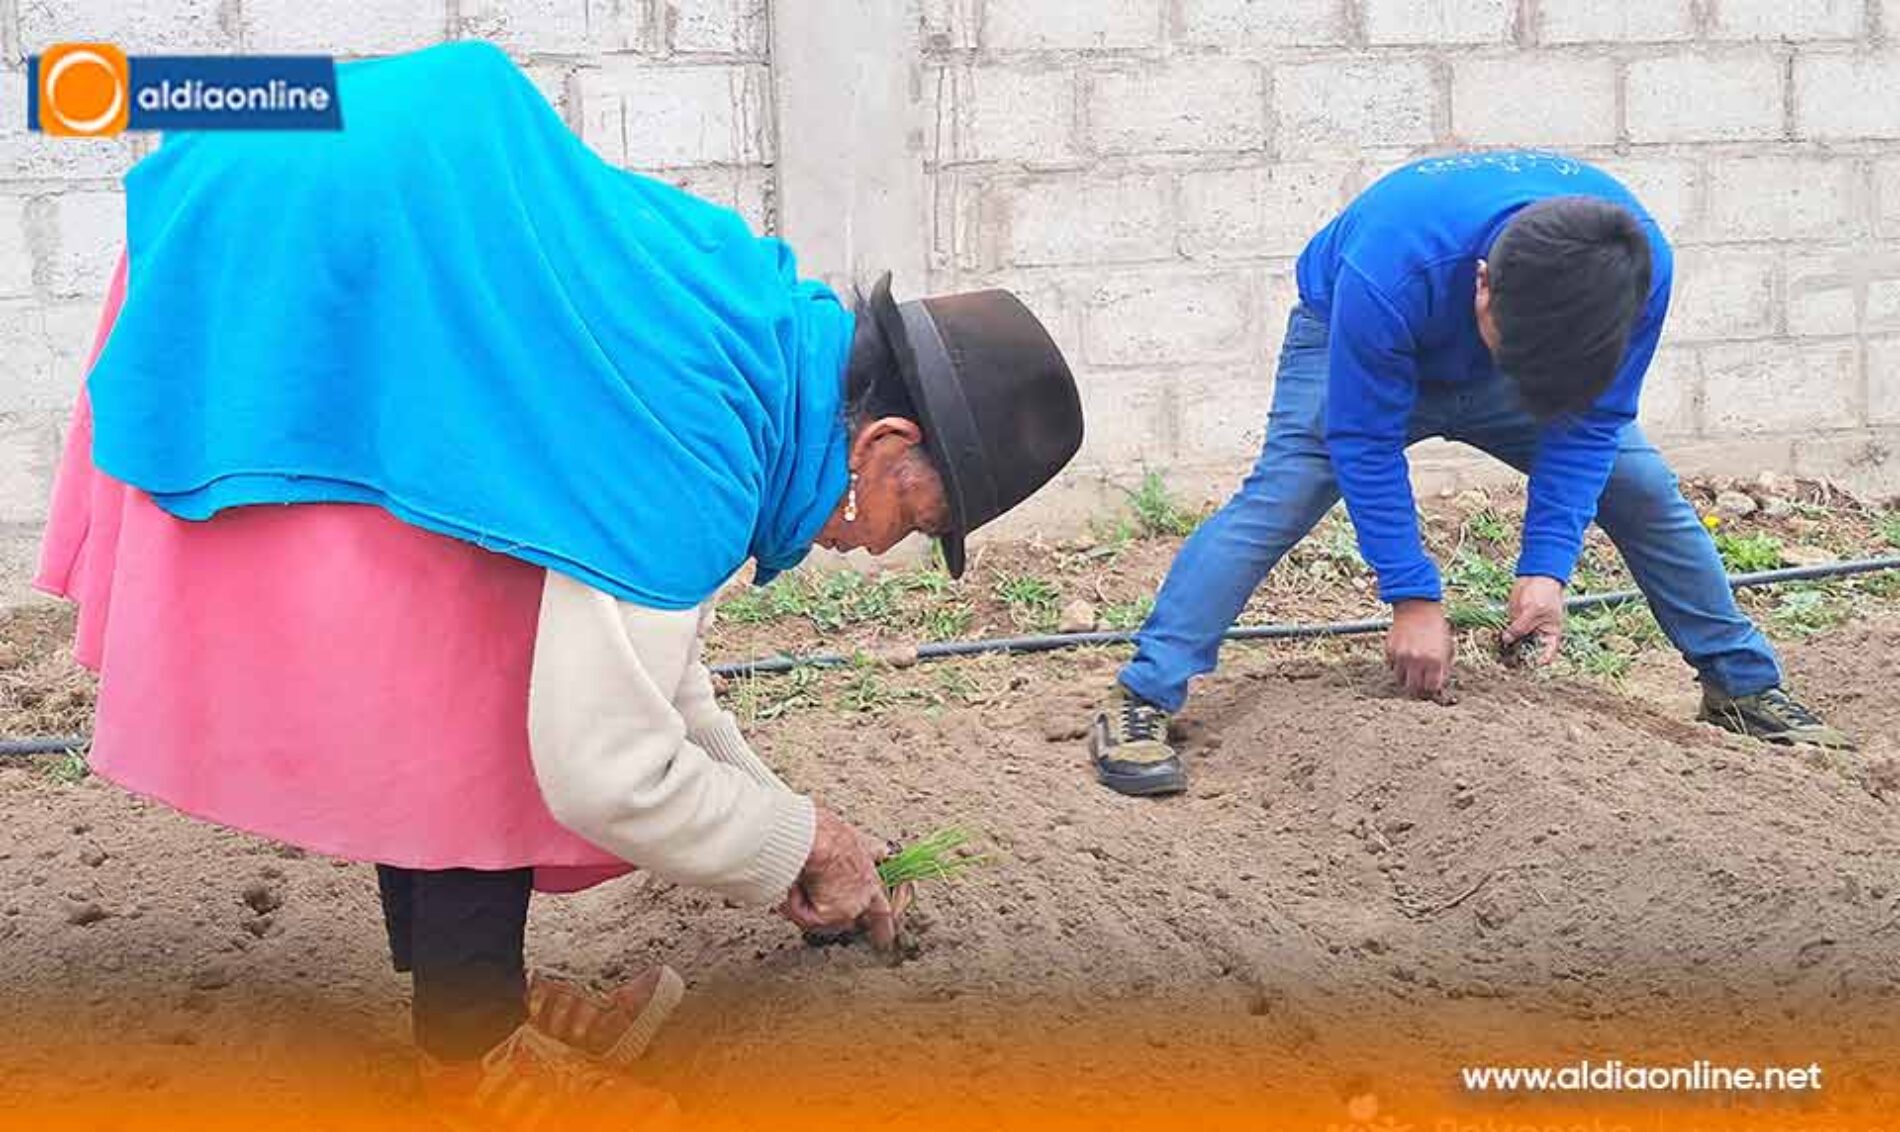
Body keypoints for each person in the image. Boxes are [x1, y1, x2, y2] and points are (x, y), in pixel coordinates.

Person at [35, 41, 1083, 1129]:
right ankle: (471, 1064)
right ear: (887, 444)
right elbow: (609, 770)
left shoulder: (760, 348)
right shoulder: (700, 440)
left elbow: (645, 674)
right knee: (484, 684)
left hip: (345, 195)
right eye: (916, 520)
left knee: (469, 645)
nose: (879, 549)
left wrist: (788, 828)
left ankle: (476, 1001)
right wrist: (800, 841)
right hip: (293, 261)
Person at [1086, 149, 1850, 799]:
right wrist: (1413, 597)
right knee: (1284, 493)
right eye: (1504, 345)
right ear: (1481, 284)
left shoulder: (1630, 272)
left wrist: (1548, 571)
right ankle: (1144, 694)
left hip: (1521, 342)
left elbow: (1591, 422)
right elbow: (1363, 439)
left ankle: (1740, 685)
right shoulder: (1390, 263)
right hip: (1357, 337)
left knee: (1642, 487)